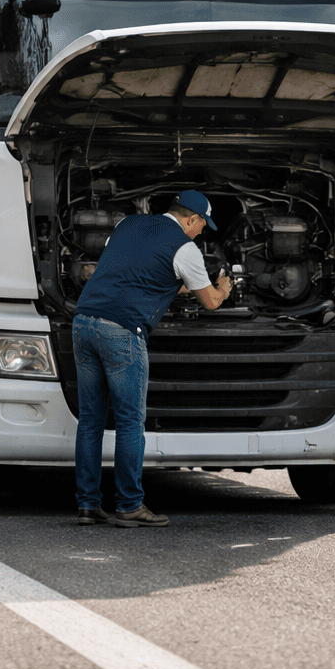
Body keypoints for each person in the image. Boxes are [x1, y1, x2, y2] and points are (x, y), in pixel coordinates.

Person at [72, 190, 232, 527]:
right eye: (202, 224)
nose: (202, 231)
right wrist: (223, 288)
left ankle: (87, 504)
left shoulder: (128, 224)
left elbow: (133, 269)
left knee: (90, 420)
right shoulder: (185, 248)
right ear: (191, 218)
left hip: (84, 321)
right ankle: (130, 505)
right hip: (123, 331)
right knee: (130, 421)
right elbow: (212, 302)